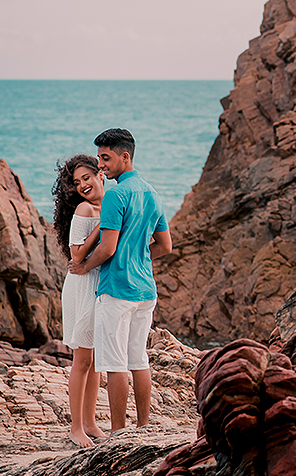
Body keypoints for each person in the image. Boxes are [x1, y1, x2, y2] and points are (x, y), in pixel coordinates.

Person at [69, 128, 172, 433]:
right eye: (99, 158)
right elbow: (165, 246)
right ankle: (143, 426)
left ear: (125, 156)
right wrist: (138, 257)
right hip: (145, 290)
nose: (101, 165)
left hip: (116, 289)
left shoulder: (116, 194)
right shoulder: (152, 193)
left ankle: (118, 433)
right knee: (138, 360)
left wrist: (85, 267)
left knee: (115, 364)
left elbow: (108, 248)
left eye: (106, 158)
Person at [52, 154, 107, 447]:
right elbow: (76, 255)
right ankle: (76, 428)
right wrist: (101, 225)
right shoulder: (85, 210)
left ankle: (90, 422)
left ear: (101, 174)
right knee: (82, 359)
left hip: (98, 283)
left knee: (94, 360)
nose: (83, 185)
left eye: (87, 177)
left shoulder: (107, 205)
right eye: (77, 182)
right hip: (82, 285)